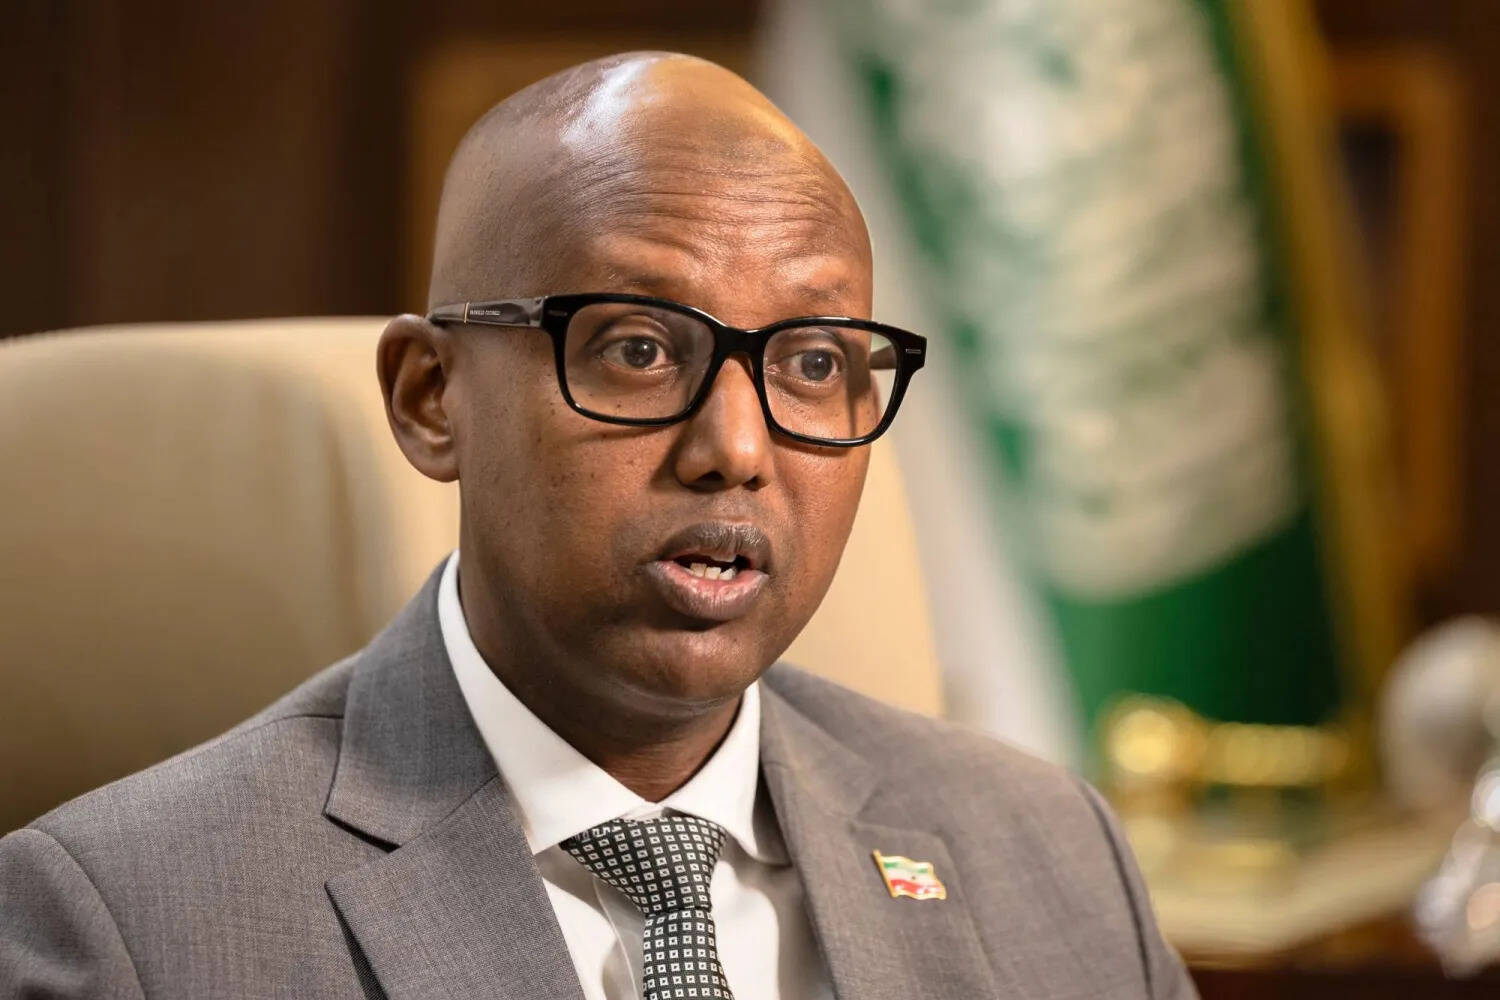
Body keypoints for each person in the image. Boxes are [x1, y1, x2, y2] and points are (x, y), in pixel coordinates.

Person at [0, 52, 1195, 999]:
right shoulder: (124, 927)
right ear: (431, 398)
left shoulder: (1049, 856)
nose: (737, 447)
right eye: (637, 348)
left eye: (813, 362)